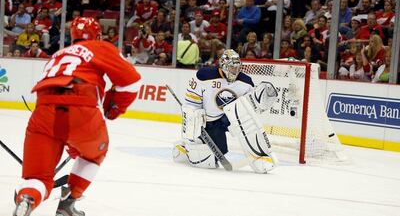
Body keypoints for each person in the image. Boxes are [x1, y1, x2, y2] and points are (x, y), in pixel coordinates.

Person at [12, 17, 141, 216]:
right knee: (94, 154)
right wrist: (113, 109)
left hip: (43, 111)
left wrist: (68, 139)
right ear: (97, 36)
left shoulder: (58, 54)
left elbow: (55, 98)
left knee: (37, 177)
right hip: (80, 107)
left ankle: (27, 197)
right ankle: (67, 203)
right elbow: (131, 82)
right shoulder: (100, 47)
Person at [173, 49, 278, 173]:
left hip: (232, 118)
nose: (235, 70)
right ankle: (185, 149)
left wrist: (261, 99)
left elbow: (250, 107)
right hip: (211, 120)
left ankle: (260, 156)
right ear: (223, 65)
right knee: (212, 157)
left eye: (237, 67)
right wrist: (195, 120)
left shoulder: (246, 82)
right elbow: (191, 103)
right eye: (232, 67)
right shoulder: (204, 76)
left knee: (249, 126)